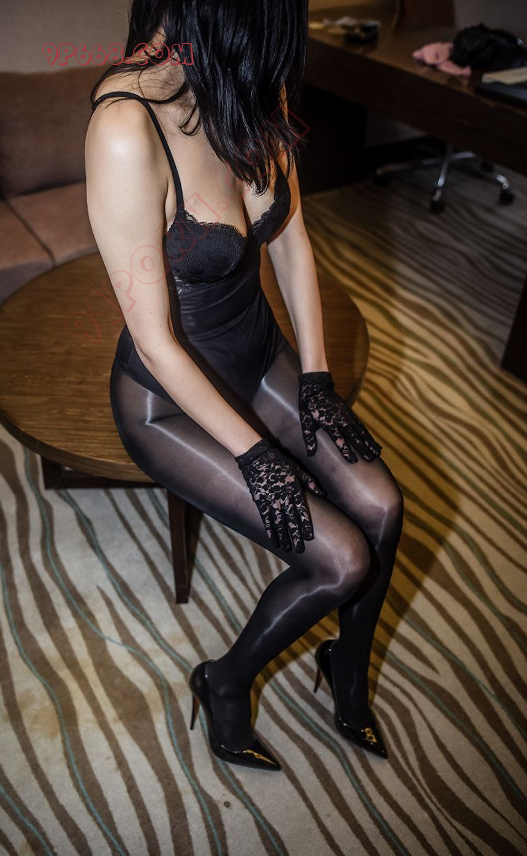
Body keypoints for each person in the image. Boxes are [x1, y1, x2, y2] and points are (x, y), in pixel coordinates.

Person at [85, 0, 404, 771]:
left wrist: (316, 378)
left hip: (258, 356)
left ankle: (347, 670)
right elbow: (156, 340)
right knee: (340, 559)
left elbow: (291, 244)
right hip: (170, 400)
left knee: (381, 507)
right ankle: (224, 681)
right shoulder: (126, 126)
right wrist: (258, 453)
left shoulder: (248, 83)